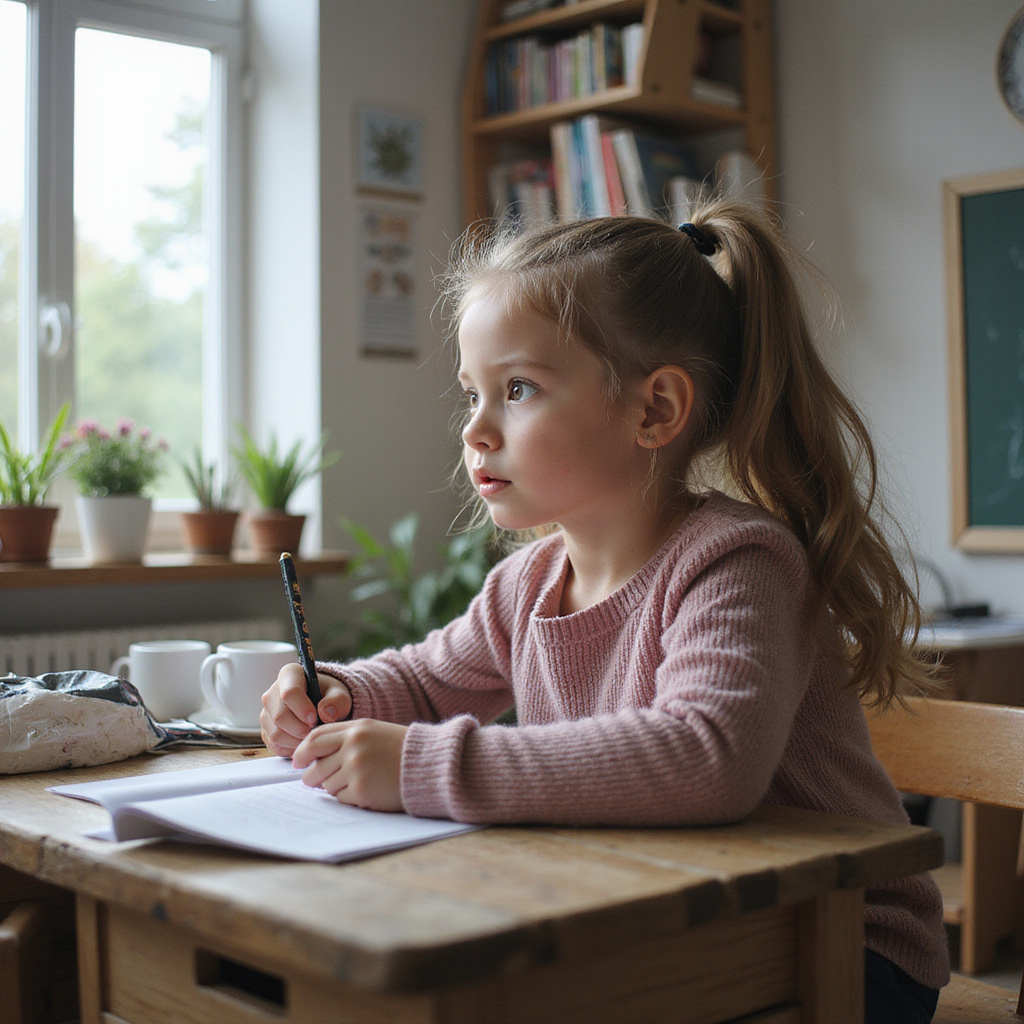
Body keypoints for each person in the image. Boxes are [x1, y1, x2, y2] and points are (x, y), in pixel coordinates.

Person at [261, 201, 950, 1021]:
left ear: (654, 409)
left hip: (840, 949)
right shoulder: (531, 584)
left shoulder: (737, 563)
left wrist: (425, 766)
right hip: (676, 923)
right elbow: (423, 680)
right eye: (472, 395)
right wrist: (339, 691)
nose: (476, 431)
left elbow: (707, 756)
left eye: (517, 389)